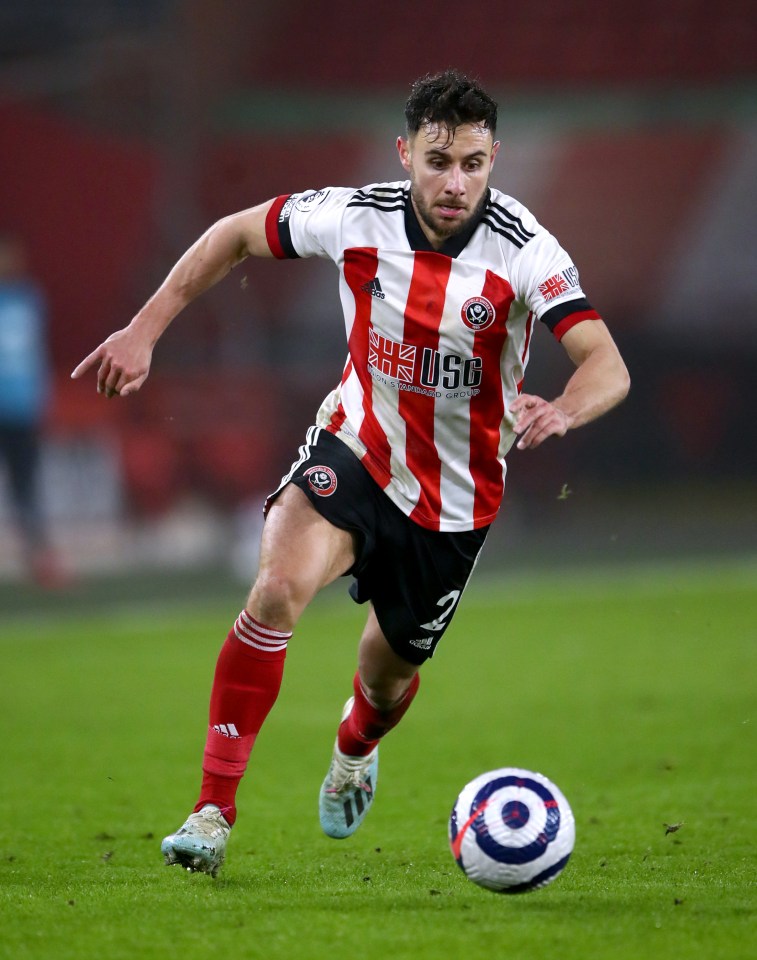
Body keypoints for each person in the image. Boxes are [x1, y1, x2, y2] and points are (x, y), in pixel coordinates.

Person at [72, 69, 630, 878]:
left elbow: (604, 363)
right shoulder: (353, 216)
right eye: (438, 160)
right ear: (405, 153)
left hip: (454, 502)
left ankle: (352, 750)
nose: (455, 181)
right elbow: (233, 232)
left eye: (473, 162)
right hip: (355, 450)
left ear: (494, 158)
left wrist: (565, 409)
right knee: (273, 591)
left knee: (384, 678)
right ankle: (211, 811)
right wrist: (143, 329)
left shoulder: (525, 250)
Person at [0, 231, 63, 587]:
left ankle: (39, 558)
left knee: (26, 487)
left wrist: (41, 398)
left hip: (22, 408)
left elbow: (36, 354)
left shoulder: (30, 299)